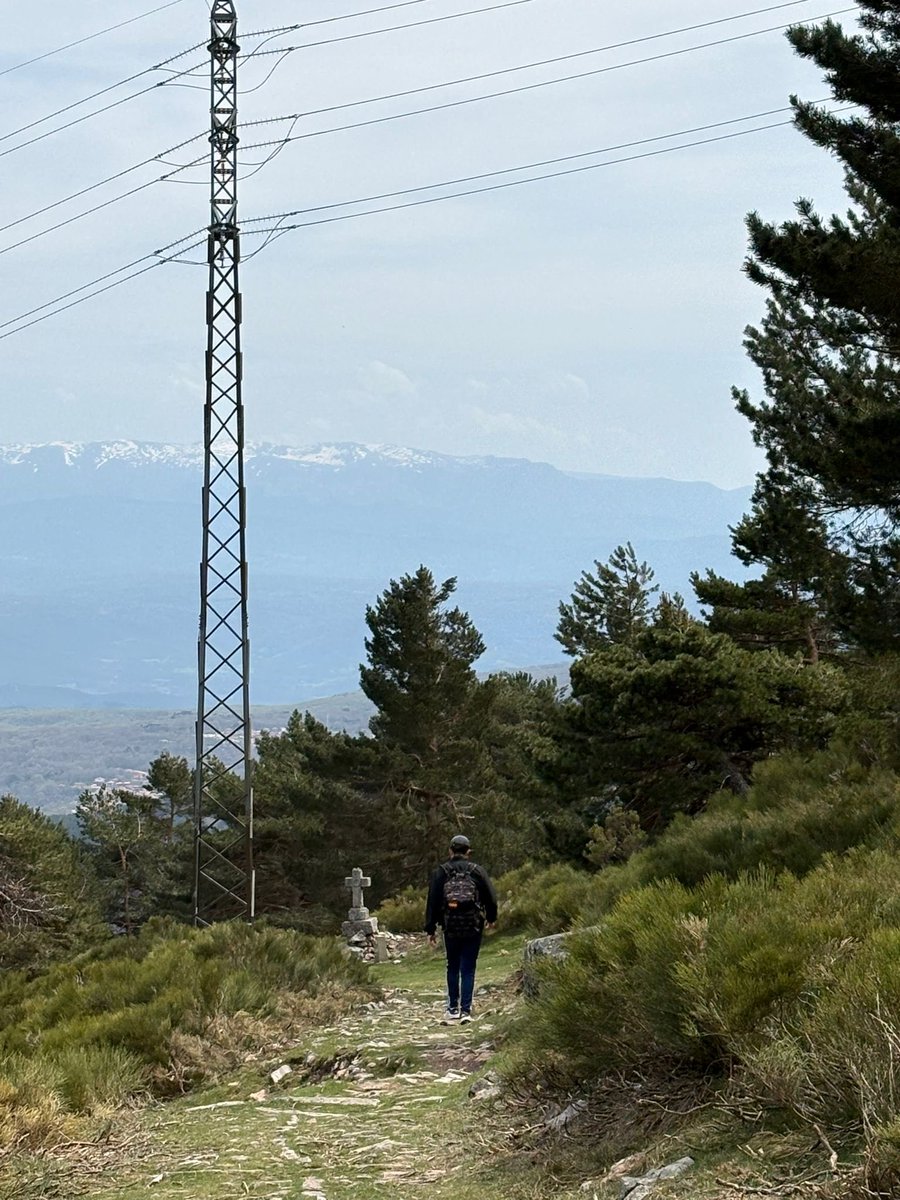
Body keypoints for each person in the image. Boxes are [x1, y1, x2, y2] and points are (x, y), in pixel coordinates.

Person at [424, 834, 498, 1024]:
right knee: (468, 967)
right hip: (473, 924)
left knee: (452, 965)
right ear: (468, 852)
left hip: (450, 926)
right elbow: (491, 897)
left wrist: (430, 929)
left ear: (450, 851)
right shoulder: (477, 871)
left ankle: (452, 1009)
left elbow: (432, 902)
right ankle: (466, 1010)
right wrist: (491, 919)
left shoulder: (441, 872)